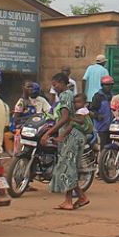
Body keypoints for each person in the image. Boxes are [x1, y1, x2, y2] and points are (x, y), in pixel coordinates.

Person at [46, 72, 90, 210]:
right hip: (69, 135)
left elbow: (65, 118)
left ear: (61, 83)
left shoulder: (65, 96)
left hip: (70, 135)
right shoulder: (68, 95)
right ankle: (74, 199)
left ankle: (73, 200)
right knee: (67, 167)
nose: (54, 88)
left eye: (55, 85)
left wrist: (49, 133)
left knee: (67, 167)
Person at [90, 75, 114, 147]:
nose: (109, 87)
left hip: (112, 127)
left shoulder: (113, 96)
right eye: (106, 85)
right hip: (101, 127)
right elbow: (91, 110)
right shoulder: (98, 97)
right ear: (102, 85)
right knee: (101, 147)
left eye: (110, 85)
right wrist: (97, 116)